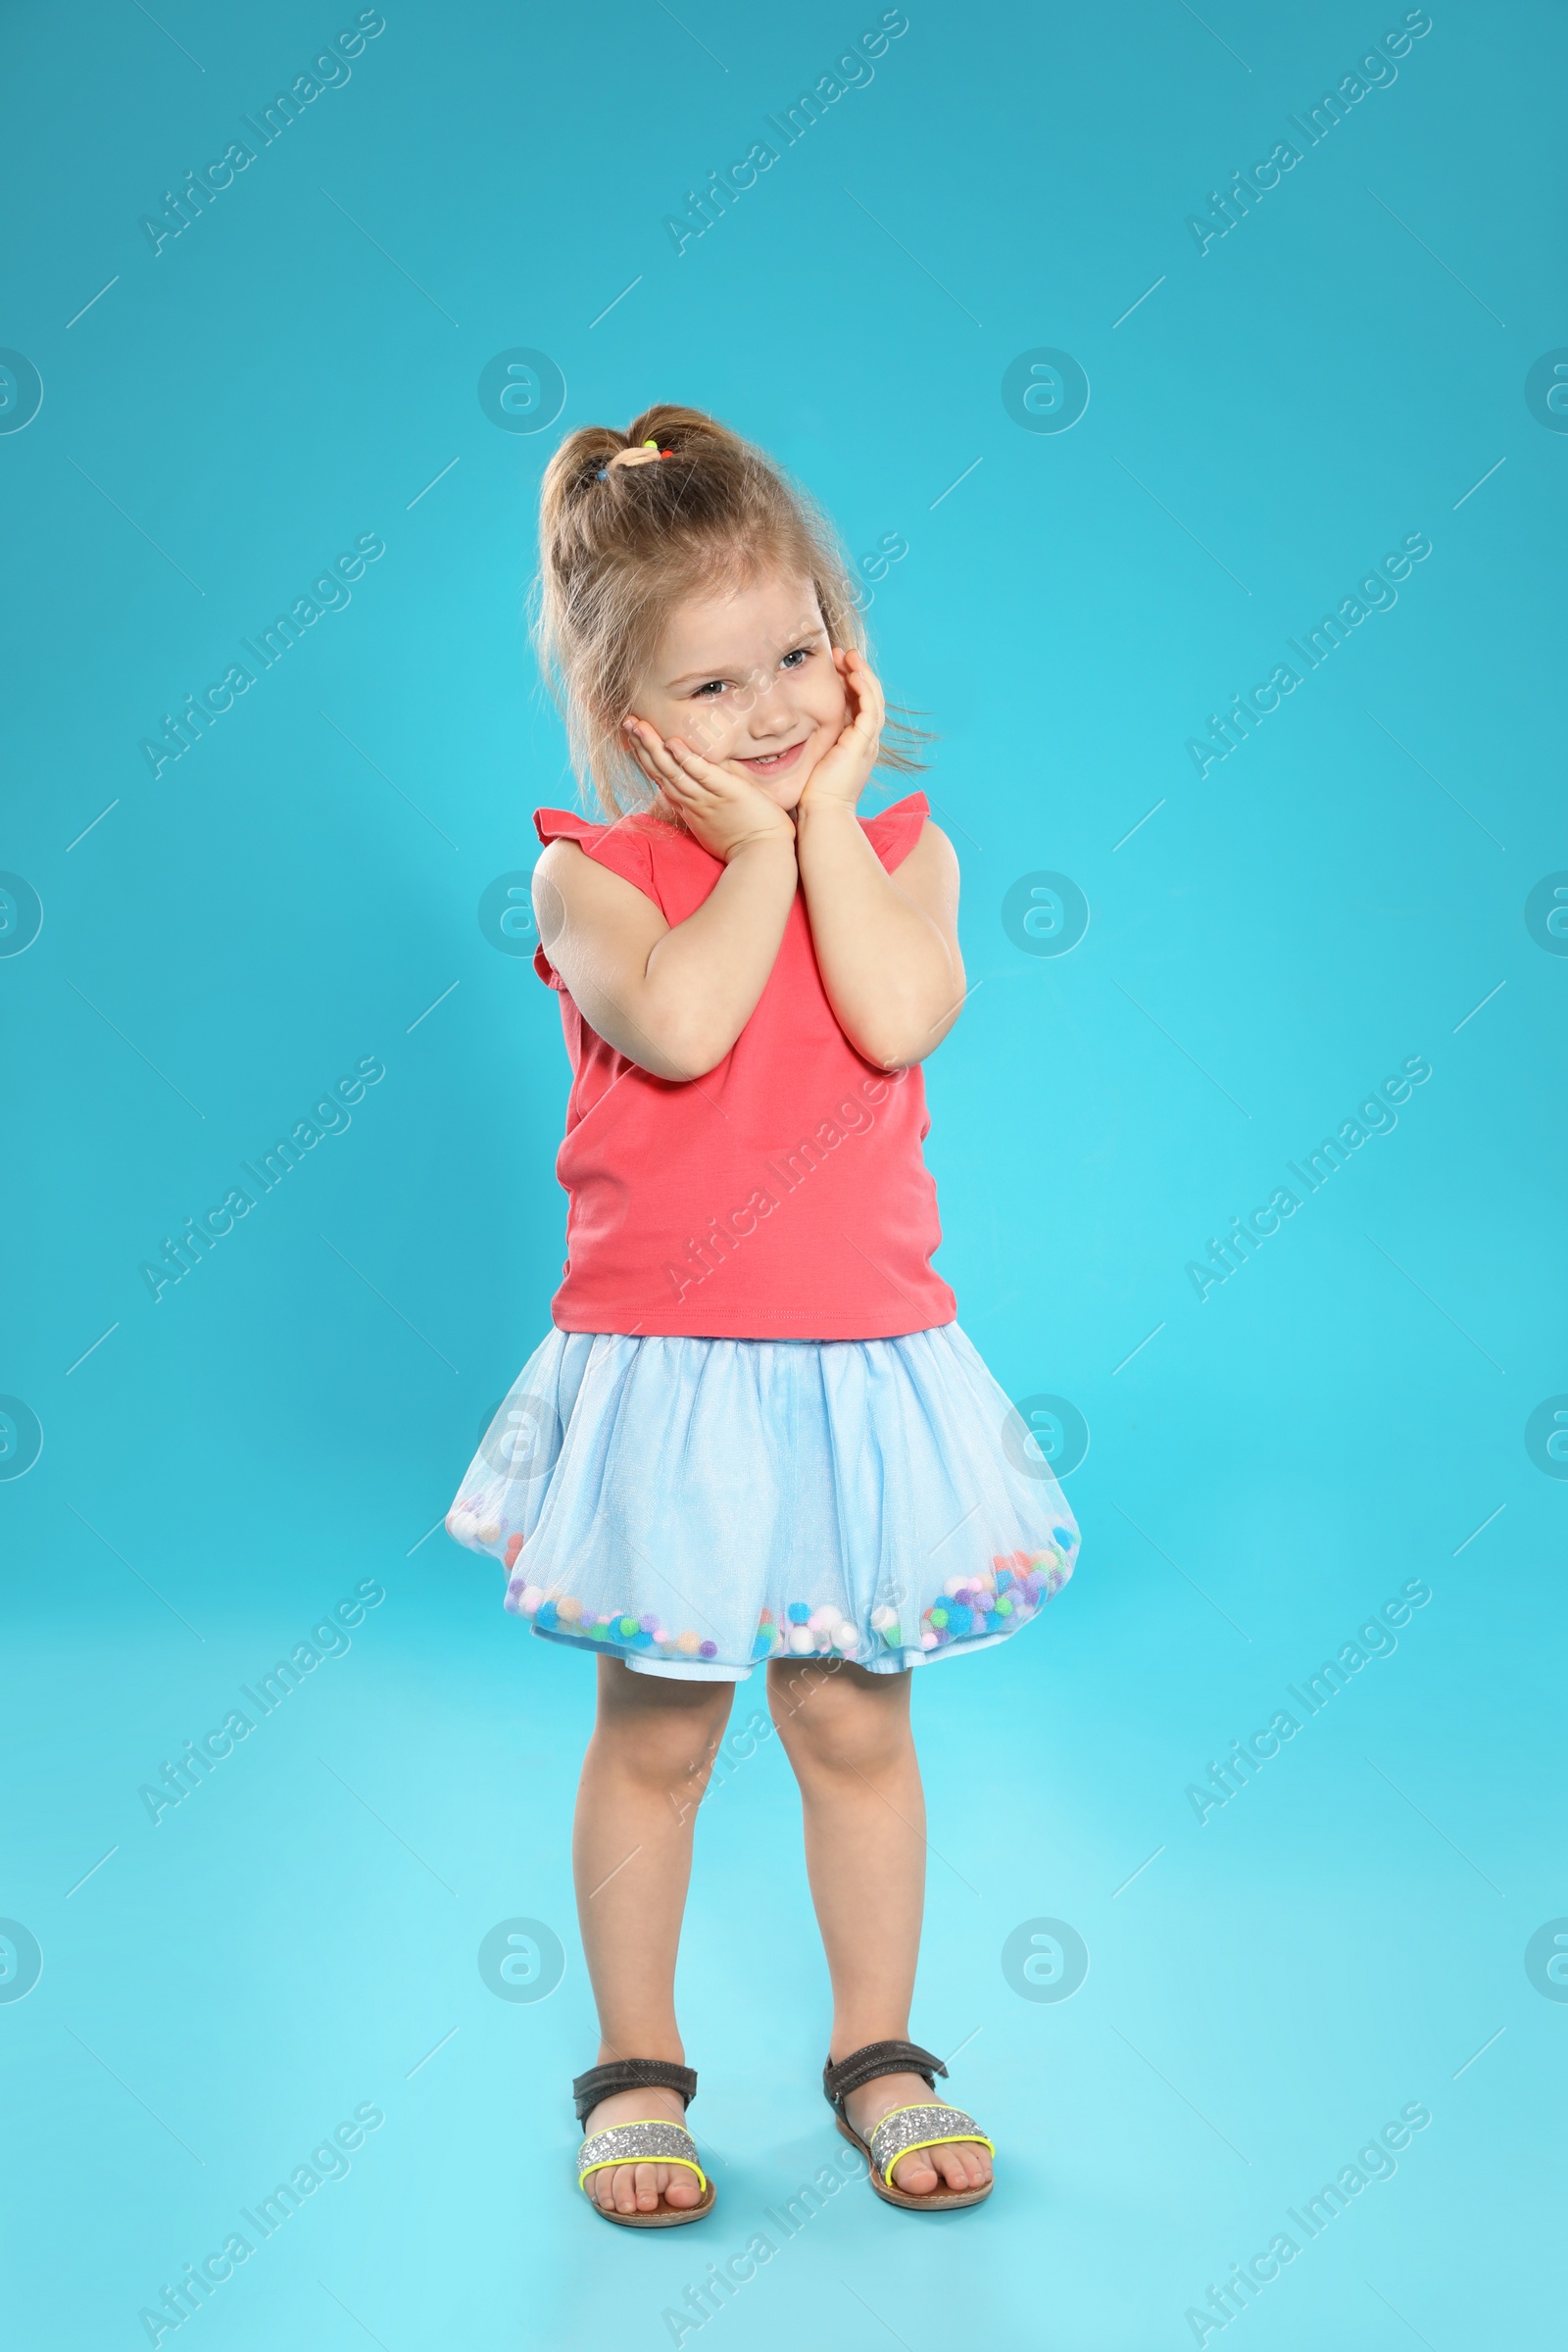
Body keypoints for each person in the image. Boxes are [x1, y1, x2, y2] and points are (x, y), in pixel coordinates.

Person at [447, 406, 1080, 2226]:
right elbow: (687, 1029)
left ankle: (876, 2050)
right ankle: (633, 2071)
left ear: (846, 642)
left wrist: (823, 824)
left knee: (854, 1726)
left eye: (800, 654)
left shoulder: (910, 856)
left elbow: (890, 1016)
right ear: (632, 719)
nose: (780, 708)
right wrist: (740, 851)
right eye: (719, 689)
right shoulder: (589, 875)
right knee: (660, 1733)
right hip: (673, 1381)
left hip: (861, 1370)